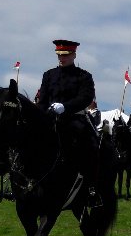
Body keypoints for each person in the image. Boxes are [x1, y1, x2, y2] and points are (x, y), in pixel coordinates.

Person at [35, 39, 99, 203]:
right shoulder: (49, 75)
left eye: (66, 55)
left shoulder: (84, 76)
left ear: (73, 55)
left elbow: (86, 97)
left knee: (90, 145)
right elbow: (42, 100)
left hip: (74, 118)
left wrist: (66, 107)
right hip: (51, 119)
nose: (61, 58)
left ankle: (92, 188)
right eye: (59, 55)